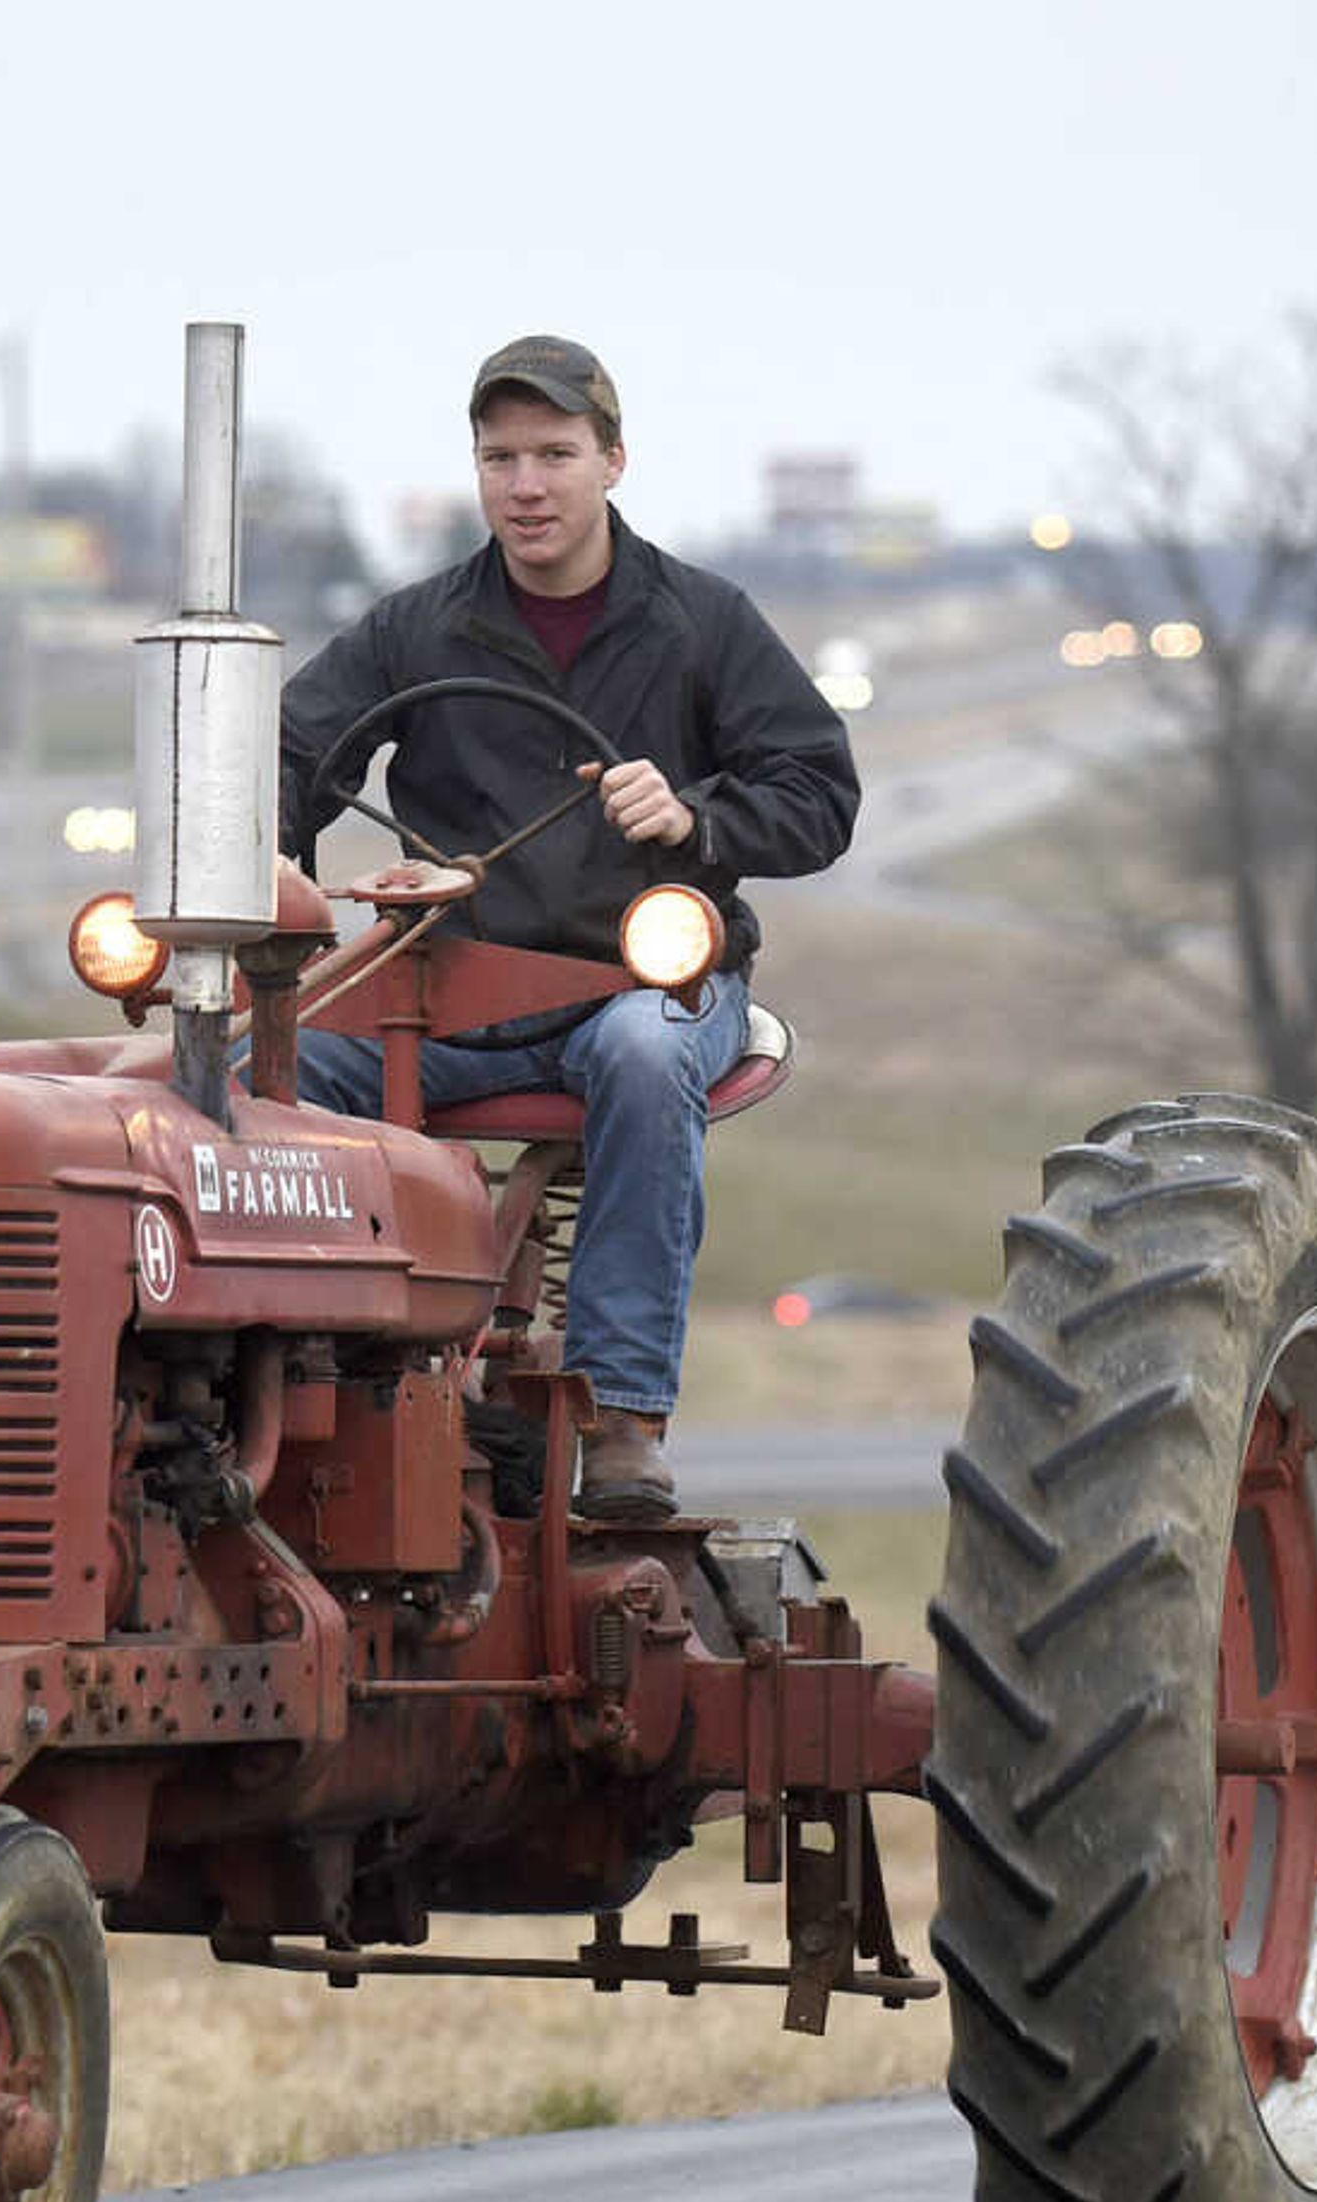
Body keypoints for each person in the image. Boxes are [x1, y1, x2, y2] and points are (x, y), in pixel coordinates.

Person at [276, 334, 860, 1520]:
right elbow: (291, 754)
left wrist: (696, 816)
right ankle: (321, 1386)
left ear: (613, 462)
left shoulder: (701, 622)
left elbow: (821, 795)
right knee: (259, 1071)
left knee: (644, 1059)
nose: (526, 484)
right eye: (500, 458)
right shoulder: (416, 632)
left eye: (553, 453)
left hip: (636, 989)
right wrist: (264, 861)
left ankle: (623, 1415)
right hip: (452, 997)